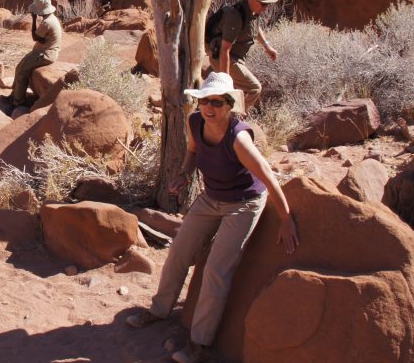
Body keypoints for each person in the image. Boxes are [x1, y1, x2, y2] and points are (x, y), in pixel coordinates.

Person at [125, 72, 299, 363]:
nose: (209, 107)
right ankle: (159, 310)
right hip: (211, 197)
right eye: (205, 100)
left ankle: (199, 343)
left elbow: (268, 177)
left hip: (243, 203)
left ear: (229, 105)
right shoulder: (195, 122)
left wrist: (287, 218)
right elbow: (193, 150)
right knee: (179, 251)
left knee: (216, 270)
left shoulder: (238, 138)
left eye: (217, 102)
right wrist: (184, 175)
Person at [207, 0, 280, 111]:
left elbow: (255, 27)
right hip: (225, 58)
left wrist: (267, 46)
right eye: (264, 4)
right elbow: (224, 50)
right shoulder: (235, 16)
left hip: (236, 57)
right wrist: (225, 81)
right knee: (254, 88)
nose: (266, 7)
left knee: (214, 92)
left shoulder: (252, 10)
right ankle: (232, 114)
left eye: (267, 4)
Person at [8, 0, 62, 106]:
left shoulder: (46, 23)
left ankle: (18, 101)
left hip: (44, 54)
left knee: (21, 71)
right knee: (19, 67)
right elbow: (42, 38)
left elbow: (35, 37)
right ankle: (13, 95)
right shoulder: (52, 18)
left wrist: (34, 19)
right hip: (45, 51)